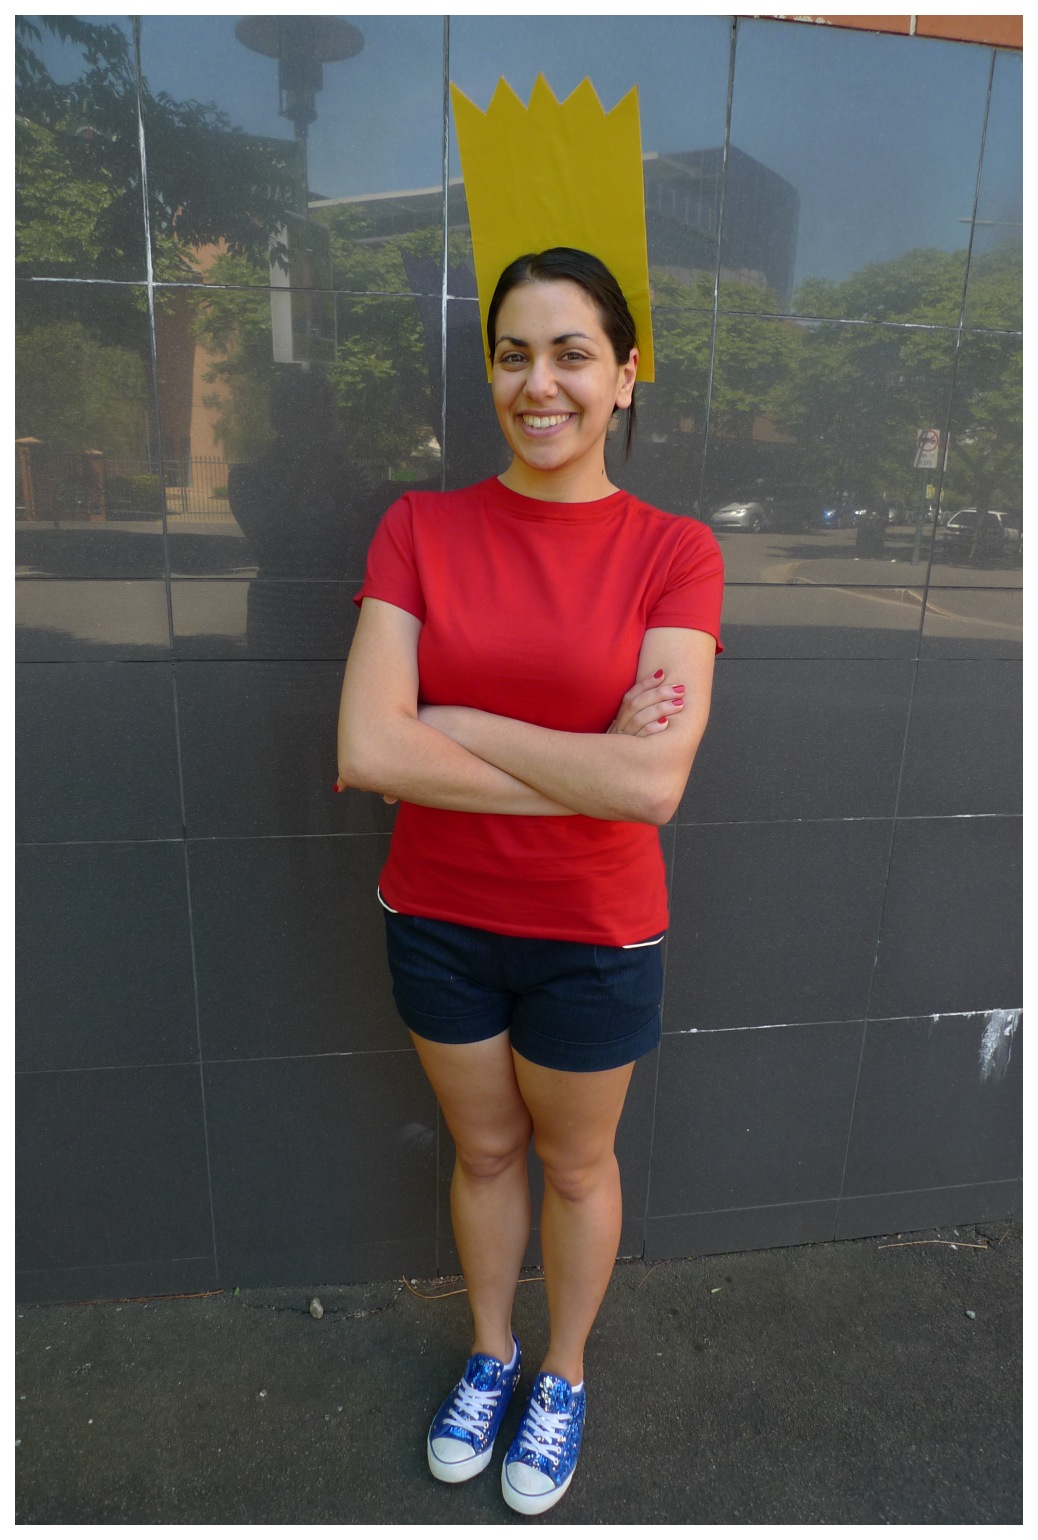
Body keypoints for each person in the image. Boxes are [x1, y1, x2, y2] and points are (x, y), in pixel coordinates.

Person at [336, 247, 724, 1515]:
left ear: (625, 376)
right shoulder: (420, 527)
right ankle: (492, 1352)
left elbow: (654, 784)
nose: (538, 383)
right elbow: (368, 748)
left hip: (595, 934)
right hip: (438, 920)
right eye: (514, 354)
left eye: (571, 354)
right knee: (487, 1148)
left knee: (574, 1166)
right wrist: (585, 763)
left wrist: (457, 726)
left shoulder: (674, 553)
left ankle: (562, 1373)